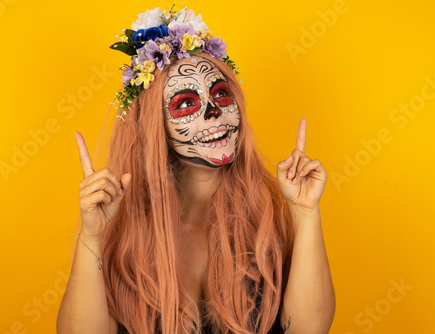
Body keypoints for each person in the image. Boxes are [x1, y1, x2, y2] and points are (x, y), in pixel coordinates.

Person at [57, 7, 335, 334]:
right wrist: (91, 238)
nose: (214, 111)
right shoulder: (125, 229)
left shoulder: (269, 213)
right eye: (187, 103)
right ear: (154, 126)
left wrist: (305, 212)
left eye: (220, 94)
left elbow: (308, 329)